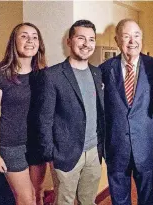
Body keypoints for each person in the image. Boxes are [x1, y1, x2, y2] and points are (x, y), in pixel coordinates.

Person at [34, 19, 104, 205]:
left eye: (91, 39)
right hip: (65, 153)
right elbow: (44, 119)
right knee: (63, 201)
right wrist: (51, 154)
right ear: (69, 41)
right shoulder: (52, 75)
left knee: (88, 201)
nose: (86, 44)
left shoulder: (98, 73)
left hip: (94, 151)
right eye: (81, 38)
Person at [99, 19, 153, 205]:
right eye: (126, 36)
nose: (132, 41)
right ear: (117, 40)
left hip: (147, 148)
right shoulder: (104, 70)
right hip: (116, 148)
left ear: (141, 39)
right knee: (119, 200)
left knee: (148, 199)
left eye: (136, 36)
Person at [0, 22, 47, 205]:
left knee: (37, 194)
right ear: (14, 41)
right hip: (11, 146)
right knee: (26, 198)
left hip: (36, 144)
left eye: (35, 37)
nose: (30, 41)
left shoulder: (44, 74)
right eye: (24, 36)